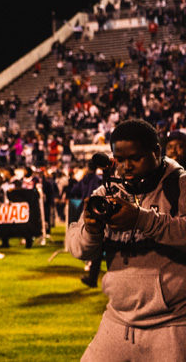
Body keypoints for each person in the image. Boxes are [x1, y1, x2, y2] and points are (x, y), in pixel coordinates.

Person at [66, 118, 186, 361]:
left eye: (135, 157)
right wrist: (91, 230)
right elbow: (77, 249)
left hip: (172, 324)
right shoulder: (107, 192)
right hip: (117, 320)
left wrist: (142, 220)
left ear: (156, 152)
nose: (126, 166)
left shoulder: (180, 186)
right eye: (120, 159)